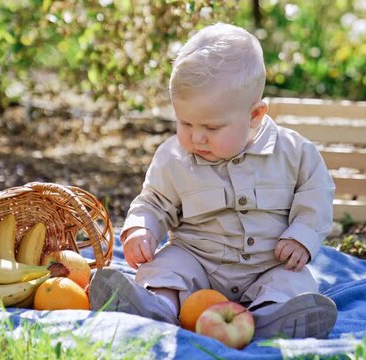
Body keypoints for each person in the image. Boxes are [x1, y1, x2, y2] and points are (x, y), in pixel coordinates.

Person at [90, 22, 337, 339]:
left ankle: (271, 318)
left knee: (294, 281)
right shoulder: (174, 157)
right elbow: (153, 201)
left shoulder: (294, 152)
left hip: (268, 264)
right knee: (166, 268)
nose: (196, 137)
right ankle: (156, 308)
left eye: (212, 127)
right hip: (198, 262)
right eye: (185, 122)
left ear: (254, 116)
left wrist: (302, 235)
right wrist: (142, 227)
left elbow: (317, 193)